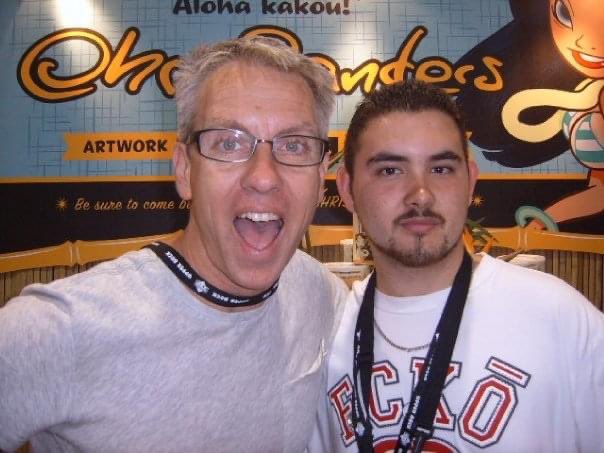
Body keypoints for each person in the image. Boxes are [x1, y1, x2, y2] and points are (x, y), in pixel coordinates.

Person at [0, 37, 347, 452]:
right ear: (184, 171)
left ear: (320, 176)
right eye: (229, 142)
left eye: (294, 146)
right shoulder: (58, 330)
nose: (264, 177)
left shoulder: (320, 294)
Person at [308, 80, 604, 452]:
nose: (420, 194)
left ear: (470, 182)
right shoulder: (326, 334)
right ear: (348, 190)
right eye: (390, 170)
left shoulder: (557, 316)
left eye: (441, 169)